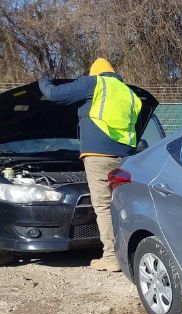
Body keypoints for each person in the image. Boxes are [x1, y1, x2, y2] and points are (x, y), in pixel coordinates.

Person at [39, 58, 142, 272]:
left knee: (103, 206)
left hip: (99, 156)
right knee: (123, 206)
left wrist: (42, 80)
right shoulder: (129, 94)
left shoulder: (93, 83)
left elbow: (54, 95)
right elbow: (137, 128)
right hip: (127, 158)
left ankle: (112, 257)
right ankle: (129, 254)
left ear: (94, 73)